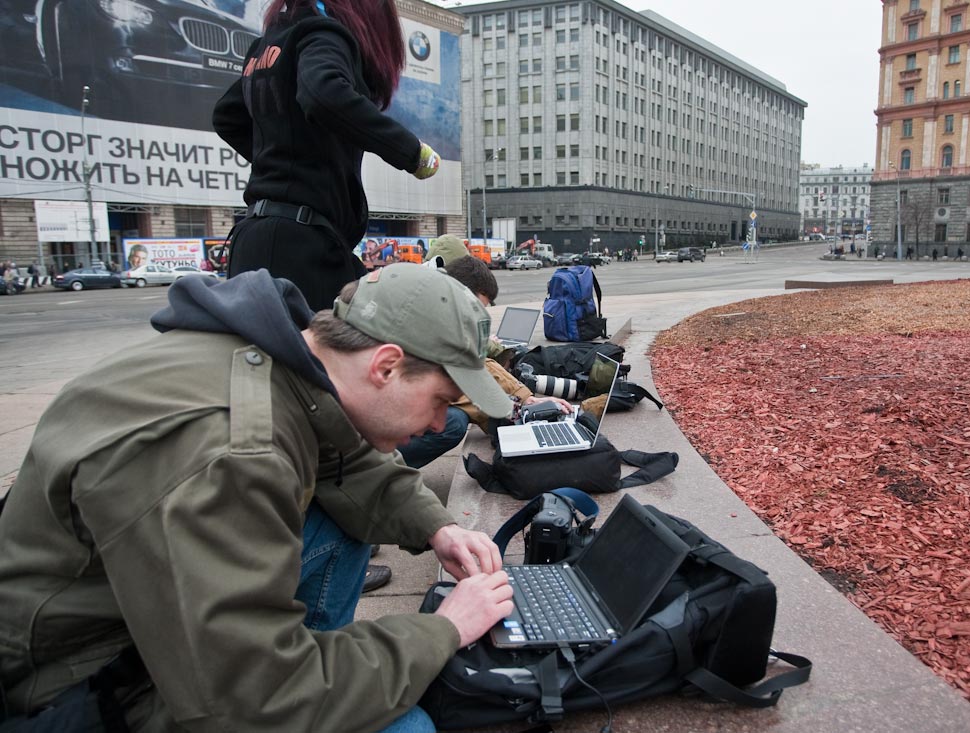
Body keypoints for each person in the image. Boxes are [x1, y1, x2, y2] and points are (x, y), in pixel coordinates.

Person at [0, 264, 516, 731]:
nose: (437, 423)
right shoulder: (230, 450)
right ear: (385, 365)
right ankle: (319, 673)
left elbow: (348, 459)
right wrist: (443, 629)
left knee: (347, 516)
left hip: (120, 620)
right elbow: (253, 700)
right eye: (441, 400)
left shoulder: (279, 359)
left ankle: (316, 663)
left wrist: (437, 526)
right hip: (76, 687)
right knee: (411, 731)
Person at [213, 0, 441, 312]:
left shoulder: (268, 45)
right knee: (330, 354)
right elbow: (324, 94)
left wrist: (286, 159)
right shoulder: (323, 33)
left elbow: (228, 116)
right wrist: (412, 152)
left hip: (252, 236)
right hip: (302, 244)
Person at [398, 252, 572, 469]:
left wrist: (525, 397)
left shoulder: (442, 309)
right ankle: (376, 472)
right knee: (451, 423)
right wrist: (516, 408)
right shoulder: (418, 317)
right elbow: (446, 385)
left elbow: (476, 363)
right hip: (362, 431)